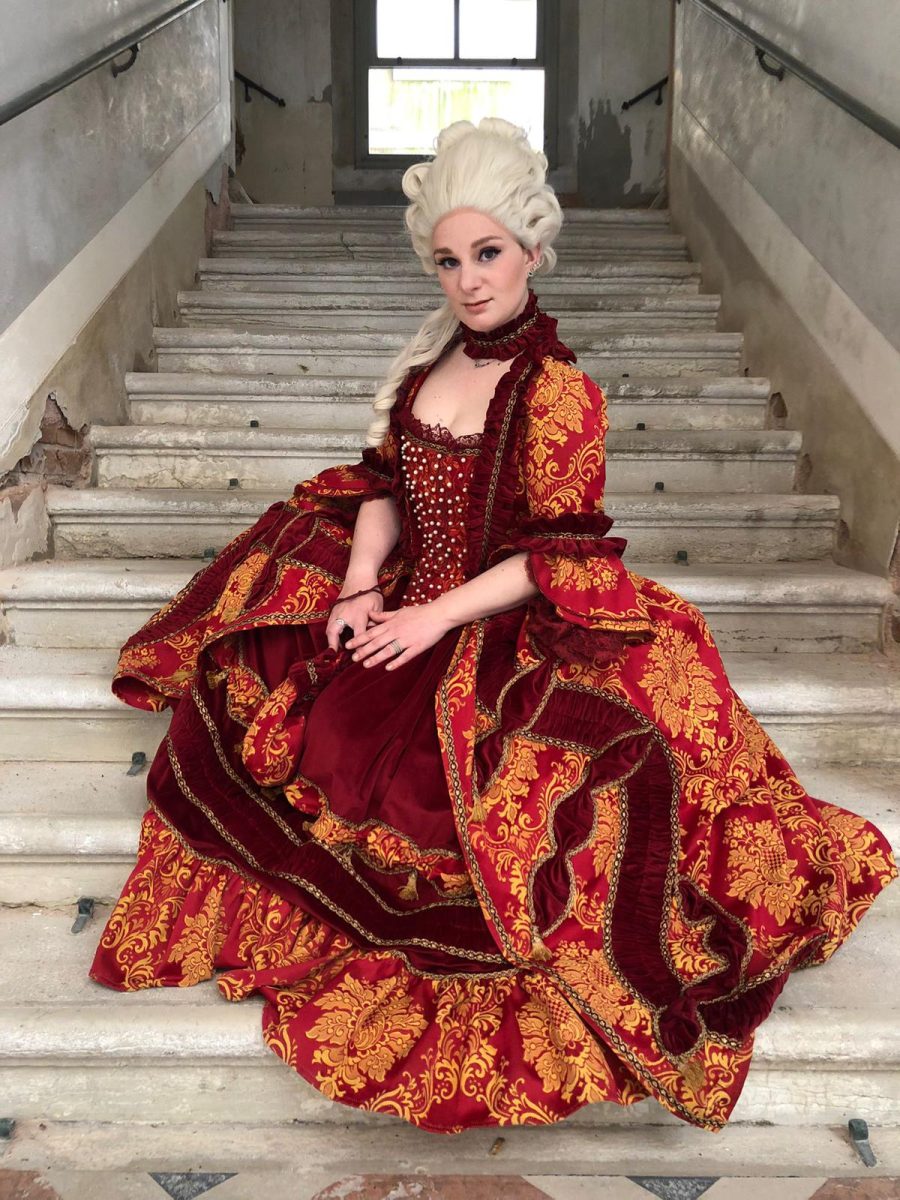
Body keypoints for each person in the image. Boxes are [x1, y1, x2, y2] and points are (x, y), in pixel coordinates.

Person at [89, 117, 898, 1134]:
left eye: (488, 254)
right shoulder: (431, 362)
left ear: (532, 252)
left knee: (572, 778)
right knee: (289, 670)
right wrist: (362, 585)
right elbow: (385, 485)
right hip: (411, 601)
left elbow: (556, 556)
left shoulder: (560, 395)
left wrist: (433, 617)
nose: (469, 281)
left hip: (503, 619)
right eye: (449, 260)